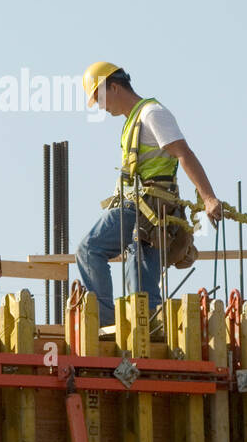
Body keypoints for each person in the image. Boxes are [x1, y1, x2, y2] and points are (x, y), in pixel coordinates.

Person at [75, 62, 222, 326]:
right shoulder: (133, 121)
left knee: (89, 248)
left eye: (99, 97)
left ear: (115, 87)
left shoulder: (152, 113)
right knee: (140, 282)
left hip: (146, 207)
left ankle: (105, 324)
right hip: (151, 215)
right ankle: (150, 335)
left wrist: (209, 198)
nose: (99, 106)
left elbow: (184, 153)